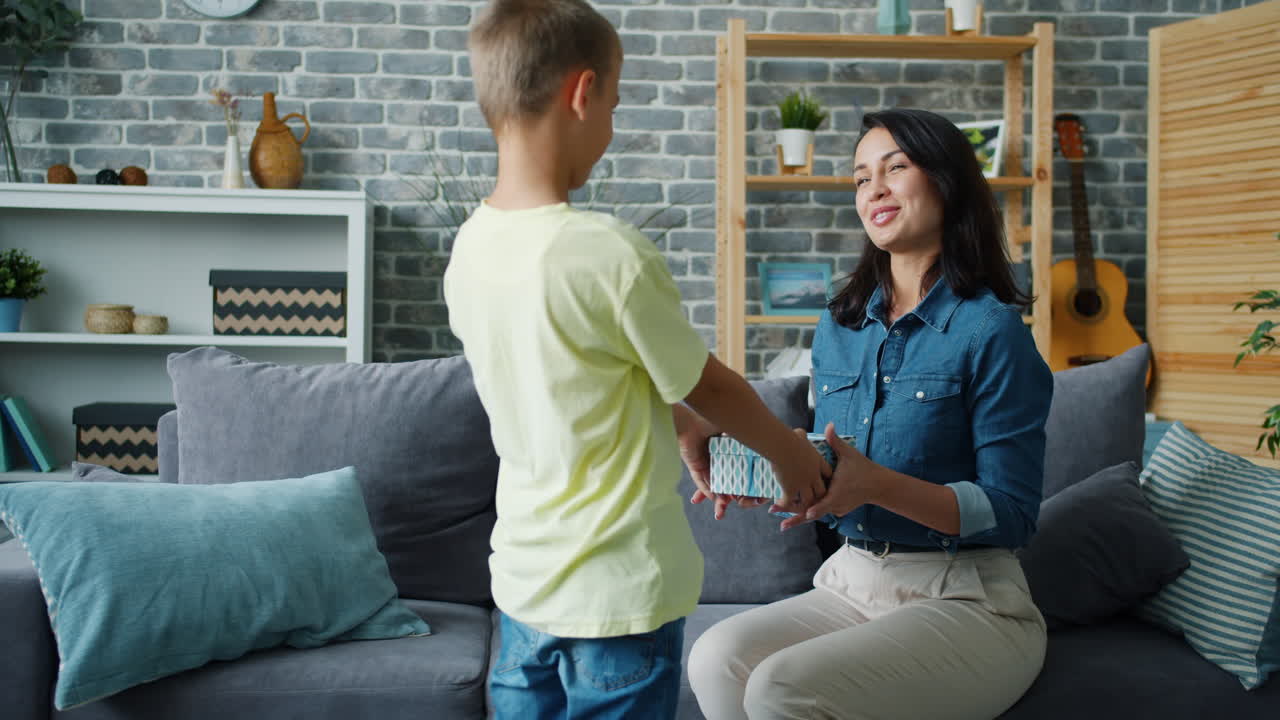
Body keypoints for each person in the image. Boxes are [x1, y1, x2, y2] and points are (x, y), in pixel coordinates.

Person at [443, 2, 830, 717]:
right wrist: (788, 456)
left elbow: (569, 372)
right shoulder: (606, 252)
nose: (611, 127)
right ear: (582, 93)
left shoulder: (470, 249)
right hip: (619, 600)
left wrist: (681, 426)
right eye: (614, 105)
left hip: (525, 593)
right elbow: (713, 384)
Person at [683, 108, 1055, 720]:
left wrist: (877, 486)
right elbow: (834, 456)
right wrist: (775, 467)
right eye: (861, 177)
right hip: (853, 580)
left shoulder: (991, 331)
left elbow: (1012, 514)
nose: (874, 189)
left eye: (896, 168)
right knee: (716, 655)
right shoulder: (840, 322)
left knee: (780, 687)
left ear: (946, 181)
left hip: (966, 597)